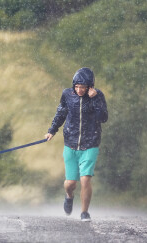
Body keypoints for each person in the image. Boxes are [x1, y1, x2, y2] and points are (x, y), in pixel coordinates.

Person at [45, 67, 108, 222]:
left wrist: (94, 99)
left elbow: (103, 117)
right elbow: (61, 112)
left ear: (90, 86)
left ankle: (84, 212)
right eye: (77, 86)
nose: (79, 90)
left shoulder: (98, 96)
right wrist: (52, 130)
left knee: (85, 179)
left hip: (90, 144)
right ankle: (69, 196)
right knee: (70, 183)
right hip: (71, 144)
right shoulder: (67, 94)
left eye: (83, 87)